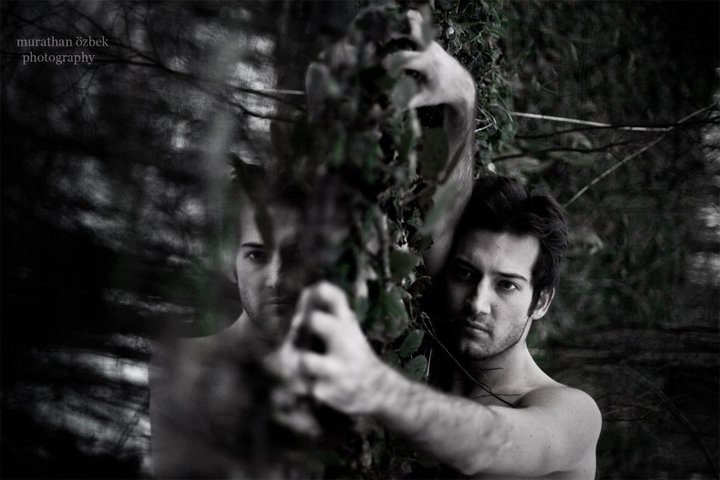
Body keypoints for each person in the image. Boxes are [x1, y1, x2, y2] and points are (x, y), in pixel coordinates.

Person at [149, 10, 477, 477]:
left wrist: (462, 101)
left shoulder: (354, 355)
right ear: (229, 261)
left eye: (297, 255)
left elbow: (439, 231)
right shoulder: (185, 366)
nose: (277, 278)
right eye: (257, 255)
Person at [278, 175, 602, 479]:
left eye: (507, 285)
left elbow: (490, 442)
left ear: (541, 302)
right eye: (465, 274)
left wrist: (374, 384)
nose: (477, 303)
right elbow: (445, 192)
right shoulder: (425, 356)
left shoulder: (574, 413)